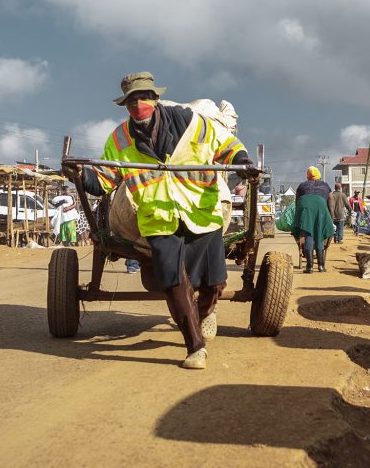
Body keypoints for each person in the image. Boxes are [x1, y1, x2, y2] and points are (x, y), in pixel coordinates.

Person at [79, 71, 252, 370]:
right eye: (131, 101)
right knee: (173, 282)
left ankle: (203, 312)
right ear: (125, 106)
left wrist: (242, 162)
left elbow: (226, 146)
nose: (138, 105)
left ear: (156, 98)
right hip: (158, 219)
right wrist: (81, 176)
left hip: (202, 213)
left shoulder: (192, 123)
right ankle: (195, 345)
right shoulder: (120, 138)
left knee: (215, 283)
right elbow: (105, 179)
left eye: (143, 97)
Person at [293, 167, 333, 273]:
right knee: (319, 234)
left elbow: (297, 202)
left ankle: (309, 267)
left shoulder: (302, 186)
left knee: (308, 235)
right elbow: (330, 201)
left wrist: (300, 217)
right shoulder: (325, 185)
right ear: (319, 175)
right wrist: (331, 218)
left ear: (308, 175)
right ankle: (321, 266)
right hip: (321, 207)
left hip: (305, 207)